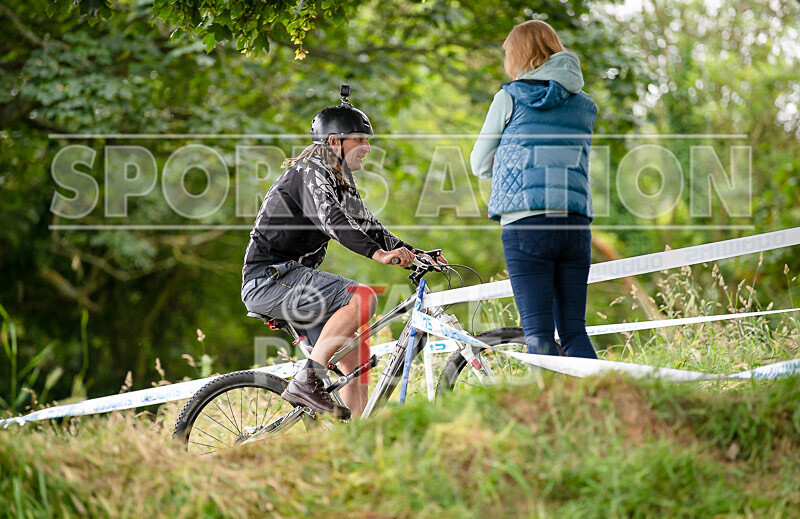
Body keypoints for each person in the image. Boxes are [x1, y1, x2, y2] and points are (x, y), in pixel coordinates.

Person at [241, 86, 445, 419]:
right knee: (363, 297)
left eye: (368, 140)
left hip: (291, 280)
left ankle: (354, 441)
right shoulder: (309, 173)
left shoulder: (338, 179)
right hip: (268, 279)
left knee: (356, 357)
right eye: (360, 139)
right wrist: (377, 255)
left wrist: (416, 253)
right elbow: (334, 221)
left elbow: (368, 225)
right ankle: (307, 382)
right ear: (334, 142)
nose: (367, 147)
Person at [470, 20, 597, 359]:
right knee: (573, 330)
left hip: (527, 224)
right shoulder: (584, 104)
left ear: (520, 54)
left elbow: (480, 163)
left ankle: (550, 410)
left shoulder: (508, 97)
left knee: (538, 332)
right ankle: (599, 405)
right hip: (574, 222)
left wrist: (511, 157)